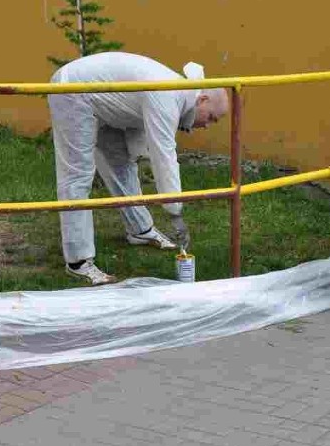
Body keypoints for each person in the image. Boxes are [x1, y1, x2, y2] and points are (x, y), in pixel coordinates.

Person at [47, 52, 230, 285]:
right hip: (72, 90)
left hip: (100, 97)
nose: (207, 125)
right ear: (202, 100)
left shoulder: (176, 93)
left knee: (122, 164)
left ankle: (140, 230)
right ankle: (78, 261)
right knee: (77, 175)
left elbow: (138, 126)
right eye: (212, 118)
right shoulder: (168, 94)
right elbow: (163, 155)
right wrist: (176, 213)